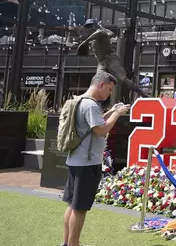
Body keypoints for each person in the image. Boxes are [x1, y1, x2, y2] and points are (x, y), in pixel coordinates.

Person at [61, 71, 131, 246]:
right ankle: (74, 244)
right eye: (108, 89)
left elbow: (93, 124)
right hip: (87, 162)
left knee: (72, 204)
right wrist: (118, 113)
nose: (109, 93)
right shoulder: (91, 105)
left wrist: (111, 111)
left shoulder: (80, 101)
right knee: (80, 207)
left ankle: (67, 243)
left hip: (75, 159)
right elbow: (101, 130)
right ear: (100, 84)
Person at [76, 19, 149, 98]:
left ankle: (143, 94)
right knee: (97, 81)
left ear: (94, 27)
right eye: (87, 27)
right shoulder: (96, 38)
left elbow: (100, 33)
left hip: (111, 60)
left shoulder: (101, 33)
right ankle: (89, 98)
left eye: (89, 26)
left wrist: (87, 40)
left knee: (123, 80)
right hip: (102, 63)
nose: (88, 29)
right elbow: (111, 33)